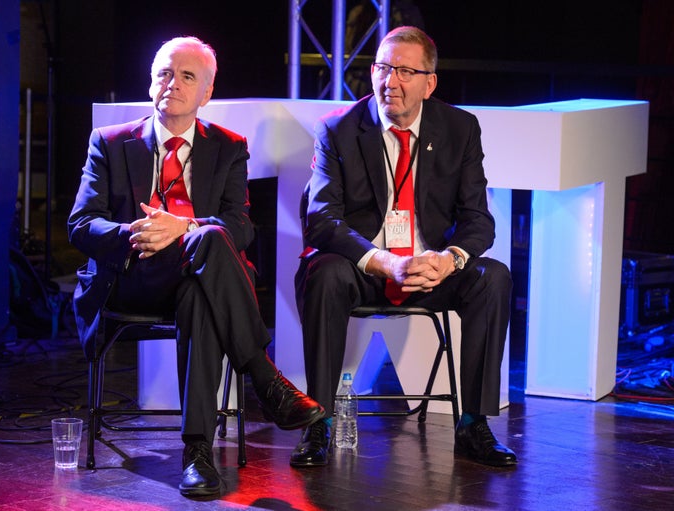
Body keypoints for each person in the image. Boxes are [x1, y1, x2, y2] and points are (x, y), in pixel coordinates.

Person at [68, 36, 324, 498]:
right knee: (207, 243)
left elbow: (241, 228)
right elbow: (81, 224)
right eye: (165, 73)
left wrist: (183, 228)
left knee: (202, 288)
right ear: (151, 82)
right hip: (132, 276)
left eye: (187, 76)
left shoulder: (228, 148)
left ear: (206, 93)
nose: (173, 83)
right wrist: (140, 232)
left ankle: (198, 453)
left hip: (198, 281)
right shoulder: (110, 142)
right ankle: (264, 377)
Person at [291, 26, 517, 469]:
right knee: (325, 272)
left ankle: (472, 422)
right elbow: (320, 219)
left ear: (429, 83)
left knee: (494, 277)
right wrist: (384, 262)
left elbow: (478, 220)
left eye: (405, 71)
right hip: (366, 268)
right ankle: (319, 422)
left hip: (431, 270)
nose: (389, 81)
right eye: (382, 67)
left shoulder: (460, 128)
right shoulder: (337, 129)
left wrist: (447, 260)